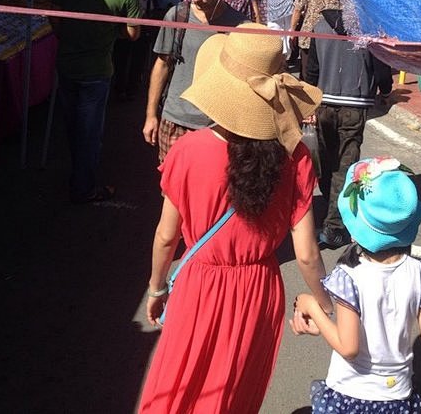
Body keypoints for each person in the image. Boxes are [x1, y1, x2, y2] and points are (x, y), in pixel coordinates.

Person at [139, 24, 332, 414]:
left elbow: (166, 237)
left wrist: (158, 288)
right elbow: (308, 253)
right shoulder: (296, 159)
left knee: (182, 383)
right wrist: (327, 307)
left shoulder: (188, 151)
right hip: (258, 288)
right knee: (232, 392)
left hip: (200, 284)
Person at [290, 157, 421, 413]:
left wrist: (312, 305)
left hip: (351, 392)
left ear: (354, 227)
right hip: (397, 394)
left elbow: (348, 347)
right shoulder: (420, 272)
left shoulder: (348, 276)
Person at [51, 0, 141, 203]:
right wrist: (109, 31)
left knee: (74, 127)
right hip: (97, 70)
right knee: (89, 132)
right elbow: (133, 33)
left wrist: (69, 35)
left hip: (67, 65)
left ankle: (80, 177)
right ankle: (84, 188)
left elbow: (53, 17)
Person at [142, 0, 245, 162]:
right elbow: (162, 65)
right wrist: (151, 115)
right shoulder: (177, 15)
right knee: (170, 190)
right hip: (175, 120)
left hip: (217, 127)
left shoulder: (239, 26)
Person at [305, 0, 381, 249]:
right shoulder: (368, 27)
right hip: (354, 104)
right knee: (345, 166)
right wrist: (385, 88)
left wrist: (310, 101)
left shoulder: (320, 24)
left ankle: (331, 208)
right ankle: (335, 226)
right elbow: (380, 67)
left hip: (324, 101)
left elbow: (311, 68)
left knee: (327, 161)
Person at [291, 0, 341, 80]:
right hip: (331, 36)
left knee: (307, 74)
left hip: (309, 34)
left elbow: (297, 8)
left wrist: (293, 30)